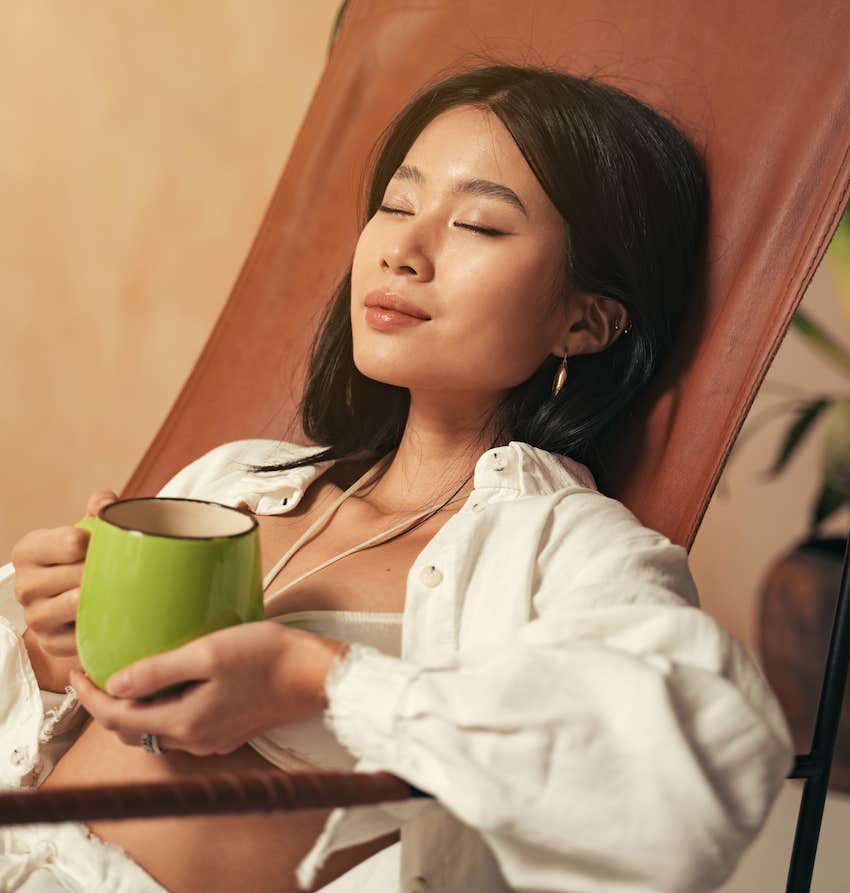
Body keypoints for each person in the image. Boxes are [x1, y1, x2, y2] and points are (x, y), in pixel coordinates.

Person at [0, 62, 794, 892]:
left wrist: (314, 679)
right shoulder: (240, 477)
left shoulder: (560, 548)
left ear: (585, 321)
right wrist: (55, 655)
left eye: (481, 225)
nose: (403, 253)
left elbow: (702, 765)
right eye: (396, 205)